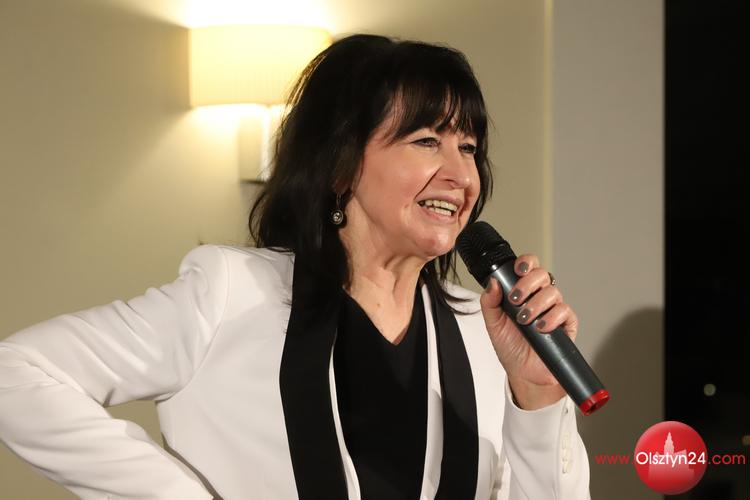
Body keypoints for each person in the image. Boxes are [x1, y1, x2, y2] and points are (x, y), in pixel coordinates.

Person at [0, 34, 590, 499]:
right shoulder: (230, 293)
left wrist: (537, 396)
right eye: (426, 142)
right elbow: (16, 374)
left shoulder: (484, 331)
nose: (461, 176)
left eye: (469, 149)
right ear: (342, 163)